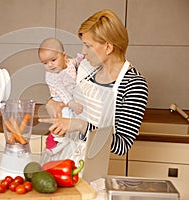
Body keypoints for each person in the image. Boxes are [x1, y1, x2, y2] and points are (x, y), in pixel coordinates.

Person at [39, 9, 148, 158]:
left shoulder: (133, 85)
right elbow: (60, 87)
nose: (83, 52)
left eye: (88, 46)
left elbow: (122, 145)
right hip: (60, 158)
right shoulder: (84, 66)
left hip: (91, 167)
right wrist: (52, 102)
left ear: (108, 47)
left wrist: (80, 125)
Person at [38, 37, 83, 154]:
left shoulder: (69, 63)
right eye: (45, 63)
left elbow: (75, 62)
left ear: (64, 56)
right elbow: (63, 92)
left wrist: (81, 60)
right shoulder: (51, 76)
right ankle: (53, 138)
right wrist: (72, 104)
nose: (50, 65)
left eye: (53, 60)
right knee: (62, 119)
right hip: (59, 98)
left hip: (72, 96)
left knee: (73, 121)